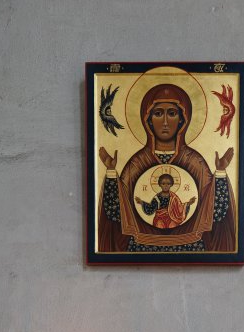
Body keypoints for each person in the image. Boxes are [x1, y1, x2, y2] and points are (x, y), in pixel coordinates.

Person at [97, 83, 236, 253]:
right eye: (158, 113)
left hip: (190, 246)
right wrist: (111, 173)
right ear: (148, 119)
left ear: (182, 119)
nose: (164, 122)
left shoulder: (195, 162)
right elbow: (117, 213)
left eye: (171, 113)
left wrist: (220, 173)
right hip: (143, 246)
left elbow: (215, 213)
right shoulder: (138, 162)